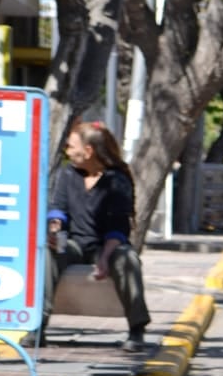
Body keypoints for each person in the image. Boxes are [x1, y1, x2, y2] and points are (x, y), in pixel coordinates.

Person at [44, 122, 152, 352]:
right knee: (46, 254)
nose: (68, 151)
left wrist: (104, 258)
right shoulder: (67, 174)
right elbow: (58, 208)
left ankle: (137, 328)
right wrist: (54, 229)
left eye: (72, 146)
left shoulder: (118, 180)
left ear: (88, 150)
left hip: (106, 245)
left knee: (128, 260)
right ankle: (37, 326)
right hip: (73, 244)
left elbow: (118, 226)